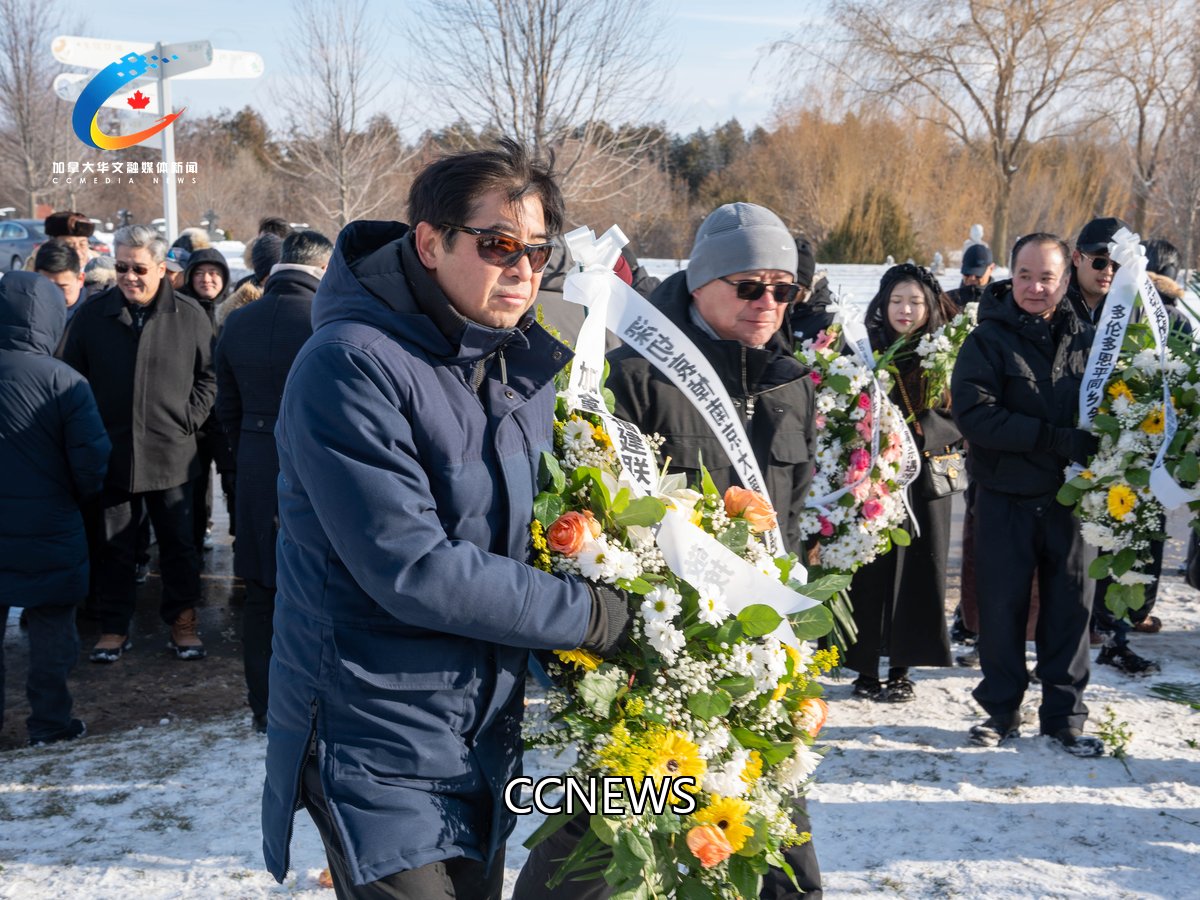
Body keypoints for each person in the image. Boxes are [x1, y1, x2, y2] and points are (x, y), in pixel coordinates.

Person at [261, 140, 629, 898]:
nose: (522, 269)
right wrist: (591, 616)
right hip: (372, 728)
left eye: (537, 250)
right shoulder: (350, 364)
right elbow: (413, 566)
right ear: (429, 243)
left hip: (481, 727)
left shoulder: (514, 362)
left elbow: (529, 528)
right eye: (497, 245)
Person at [516, 202, 823, 899]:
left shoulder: (793, 384)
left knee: (775, 834)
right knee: (606, 829)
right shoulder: (633, 377)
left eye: (784, 290)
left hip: (758, 648)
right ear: (701, 284)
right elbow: (601, 513)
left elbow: (792, 512)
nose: (768, 304)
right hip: (660, 649)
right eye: (750, 286)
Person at [951, 232, 1103, 757]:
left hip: (1072, 500)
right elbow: (976, 415)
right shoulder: (986, 340)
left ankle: (1064, 717)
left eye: (1047, 277)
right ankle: (1000, 710)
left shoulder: (1092, 341)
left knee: (1071, 609)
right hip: (1004, 496)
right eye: (1025, 275)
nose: (1035, 287)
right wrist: (1055, 439)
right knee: (1001, 608)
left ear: (1067, 278)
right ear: (1009, 275)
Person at [59, 224, 216, 663]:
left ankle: (183, 621)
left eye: (139, 268)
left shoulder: (189, 314)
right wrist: (90, 432)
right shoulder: (94, 315)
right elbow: (71, 379)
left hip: (172, 454)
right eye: (122, 267)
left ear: (162, 268)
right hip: (114, 454)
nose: (129, 276)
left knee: (179, 545)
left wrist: (187, 419)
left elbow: (210, 376)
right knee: (115, 547)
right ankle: (113, 626)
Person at [214, 229, 333, 733]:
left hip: (255, 467)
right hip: (315, 468)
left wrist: (247, 455)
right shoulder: (326, 319)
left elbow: (225, 407)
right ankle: (312, 702)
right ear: (323, 269)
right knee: (318, 589)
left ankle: (263, 705)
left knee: (262, 593)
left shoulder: (238, 320)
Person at [0, 272, 110, 745]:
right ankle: (50, 723)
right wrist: (72, 497)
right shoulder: (65, 381)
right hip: (50, 524)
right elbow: (91, 461)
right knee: (52, 631)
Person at [845, 264, 958, 702]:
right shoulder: (863, 348)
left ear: (930, 307)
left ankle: (901, 668)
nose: (905, 310)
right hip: (872, 477)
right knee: (868, 568)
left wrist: (922, 430)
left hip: (923, 479)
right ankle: (864, 667)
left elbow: (959, 414)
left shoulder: (944, 351)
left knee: (917, 571)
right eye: (896, 301)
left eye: (914, 302)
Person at [179, 247, 232, 554]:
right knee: (195, 484)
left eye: (213, 273)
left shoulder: (234, 310)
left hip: (225, 416)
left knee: (232, 482)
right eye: (199, 273)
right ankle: (196, 536)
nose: (206, 279)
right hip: (192, 415)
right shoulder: (180, 311)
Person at [34, 242, 85, 311]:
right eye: (46, 287)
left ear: (80, 279)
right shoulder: (27, 309)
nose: (53, 296)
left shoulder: (95, 312)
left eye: (61, 288)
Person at [946, 243, 994, 309]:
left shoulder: (1002, 303)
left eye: (978, 274)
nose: (972, 278)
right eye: (967, 273)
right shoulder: (947, 301)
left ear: (991, 268)